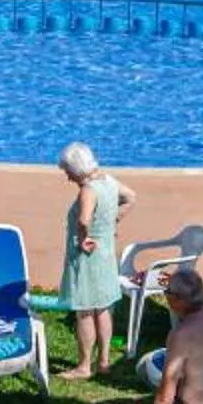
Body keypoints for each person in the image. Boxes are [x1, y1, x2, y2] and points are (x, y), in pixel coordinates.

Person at [95, 266, 203, 404]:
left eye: (167, 292)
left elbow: (163, 402)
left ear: (176, 299)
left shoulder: (183, 333)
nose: (165, 295)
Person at [57, 142, 133, 378]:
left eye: (68, 171)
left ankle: (83, 366)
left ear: (77, 169)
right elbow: (131, 197)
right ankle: (104, 361)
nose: (67, 177)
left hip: (88, 258)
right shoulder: (109, 181)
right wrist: (113, 221)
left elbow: (84, 220)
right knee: (103, 308)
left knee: (85, 311)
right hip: (106, 252)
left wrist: (83, 239)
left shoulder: (88, 190)